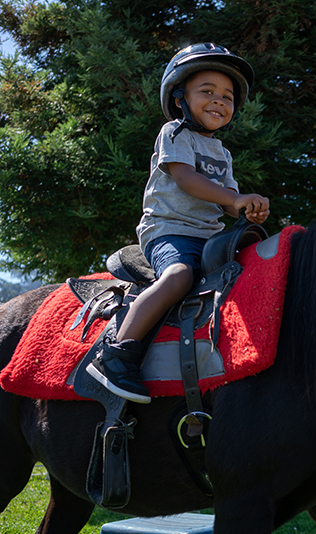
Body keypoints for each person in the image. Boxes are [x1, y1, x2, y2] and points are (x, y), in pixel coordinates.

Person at [87, 43, 270, 404]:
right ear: (179, 97)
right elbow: (187, 179)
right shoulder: (174, 133)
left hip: (210, 236)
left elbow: (229, 199)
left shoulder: (222, 152)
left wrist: (248, 209)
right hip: (170, 231)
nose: (219, 100)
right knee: (178, 277)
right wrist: (233, 199)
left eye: (227, 96)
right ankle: (116, 353)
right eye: (207, 91)